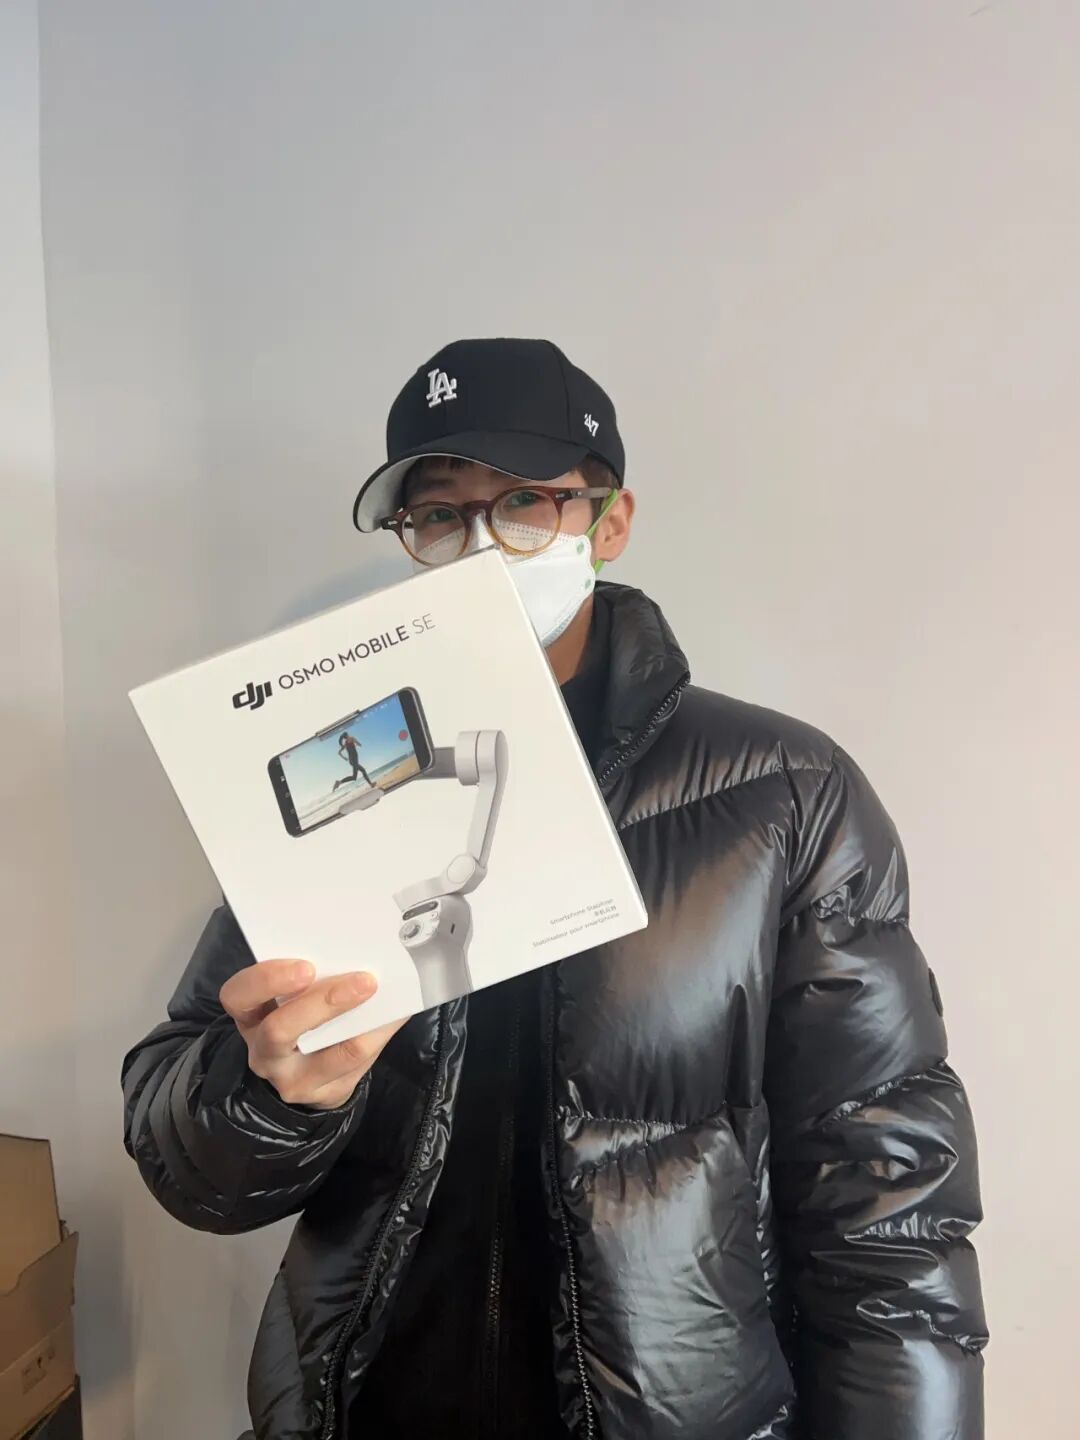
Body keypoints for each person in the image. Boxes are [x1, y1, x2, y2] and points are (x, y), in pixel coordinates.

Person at [122, 338, 988, 1440]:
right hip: (368, 1407)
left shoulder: (785, 793)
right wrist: (275, 1094)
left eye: (526, 502)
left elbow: (889, 1204)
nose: (481, 545)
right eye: (441, 514)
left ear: (609, 522)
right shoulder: (347, 768)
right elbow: (186, 1158)